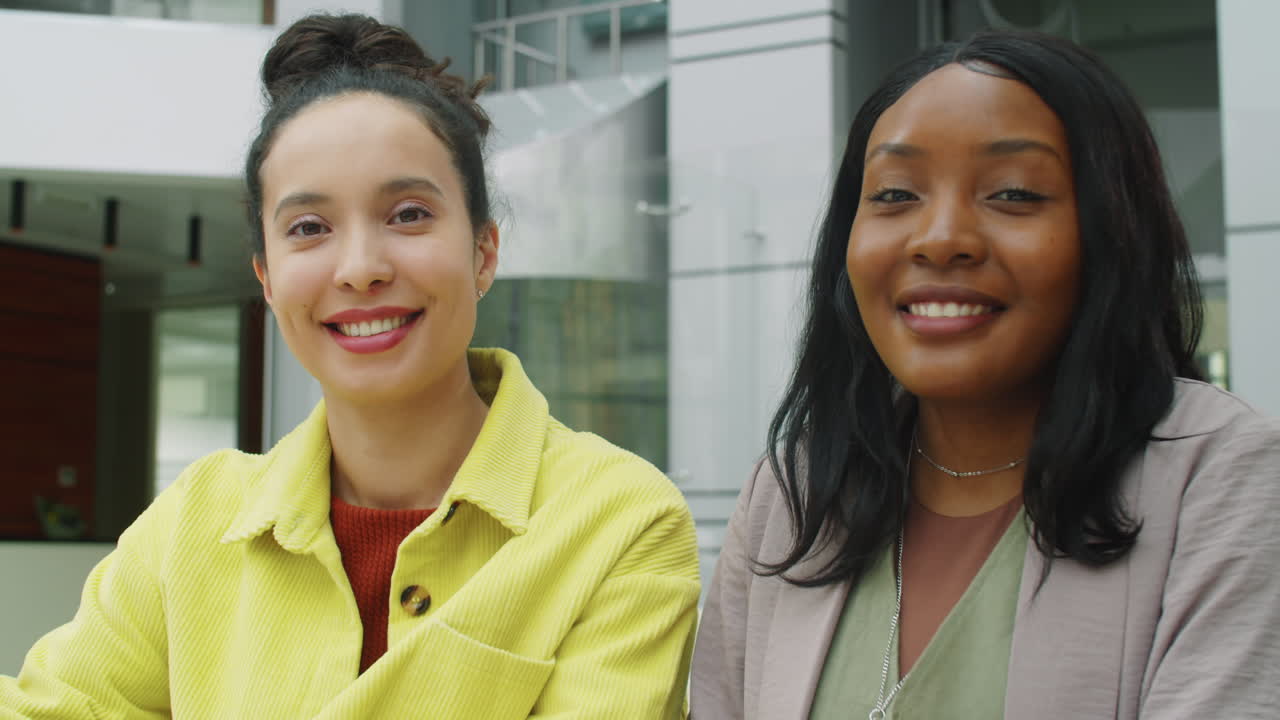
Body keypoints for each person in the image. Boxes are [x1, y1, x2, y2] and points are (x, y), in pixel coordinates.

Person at [1, 14, 698, 719]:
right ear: (267, 278)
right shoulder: (194, 523)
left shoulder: (619, 522)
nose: (361, 268)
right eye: (309, 228)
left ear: (484, 251)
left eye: (408, 215)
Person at [690, 29, 1280, 720]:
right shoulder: (795, 491)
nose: (941, 238)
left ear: (1112, 231)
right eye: (894, 194)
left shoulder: (1222, 476)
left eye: (1014, 194)